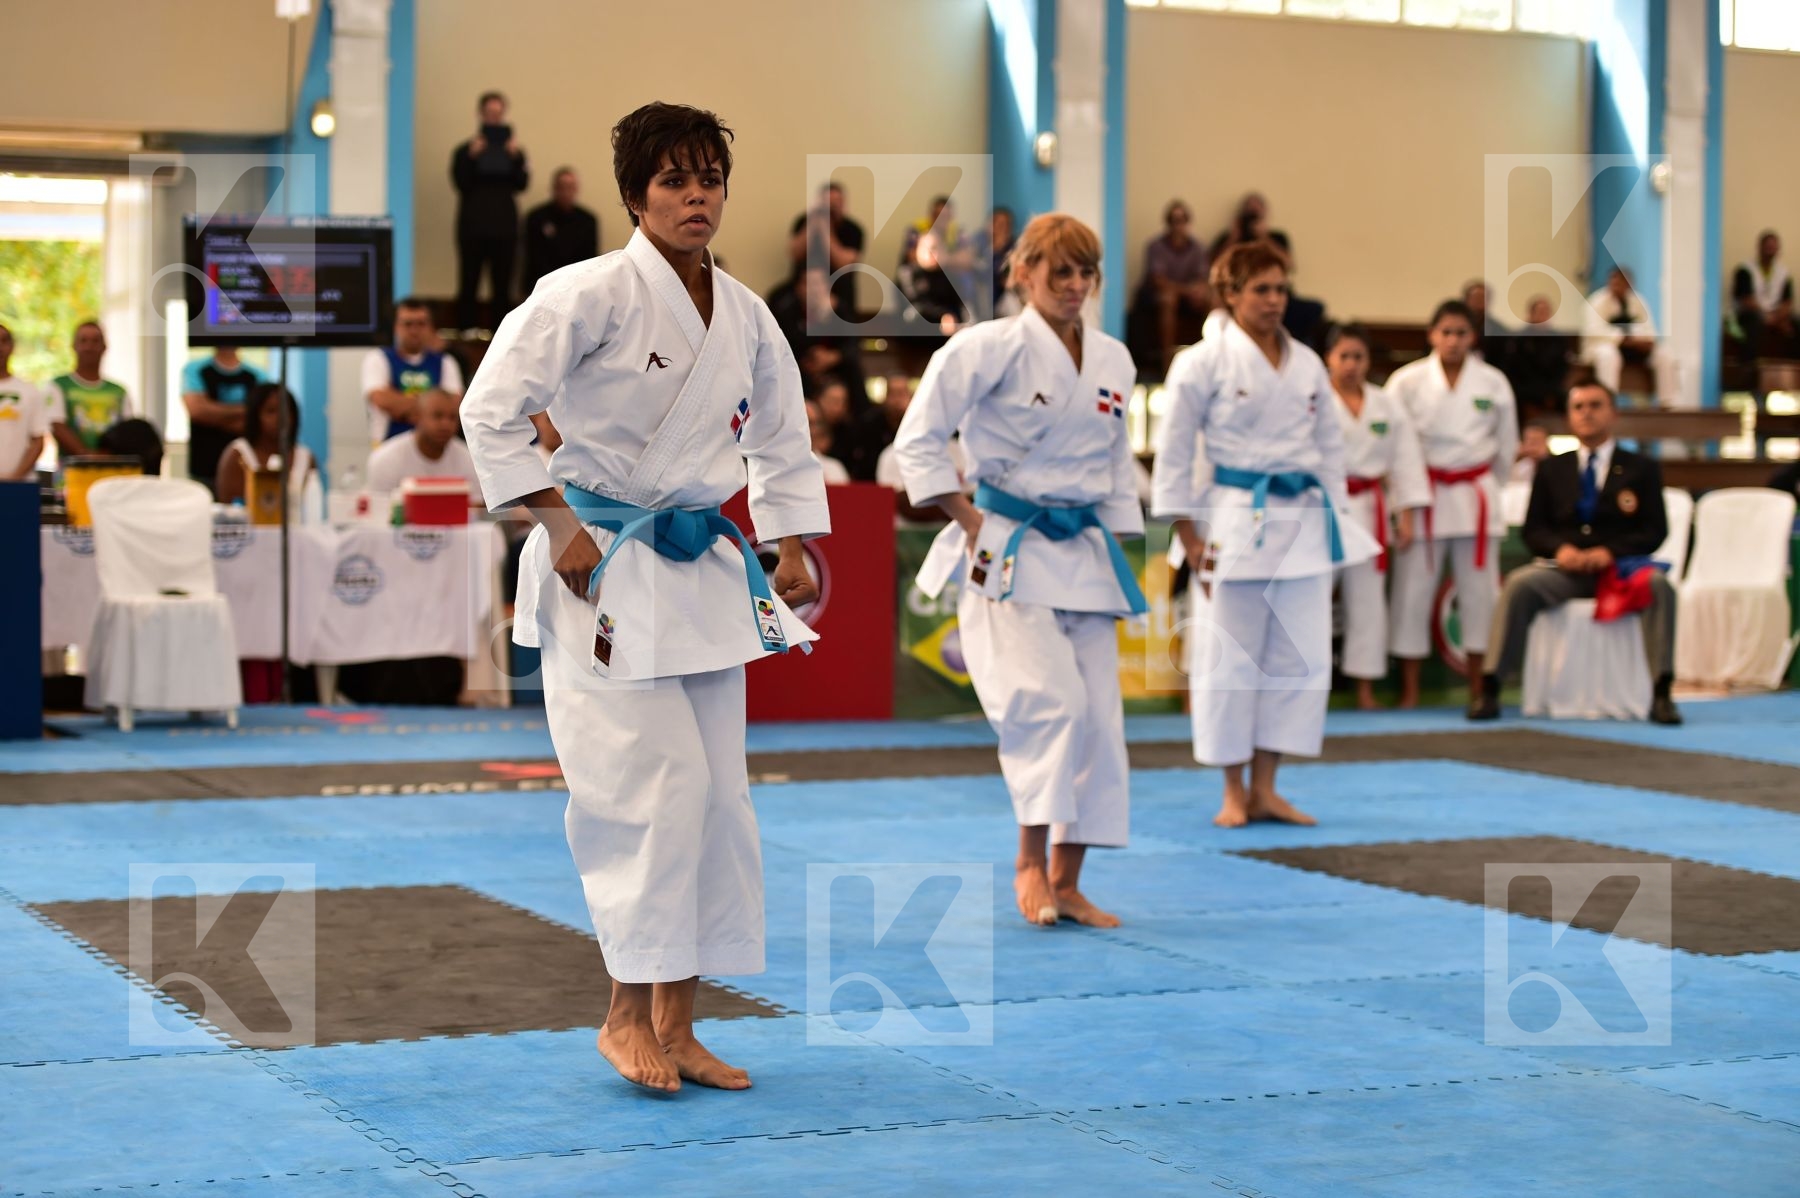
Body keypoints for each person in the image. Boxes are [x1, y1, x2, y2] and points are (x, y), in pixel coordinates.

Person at [459, 102, 826, 1094]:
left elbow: (781, 440)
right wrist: (556, 521)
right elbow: (489, 408)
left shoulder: (745, 313)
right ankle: (622, 1015)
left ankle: (678, 1022)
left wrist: (791, 543)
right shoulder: (584, 293)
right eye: (674, 179)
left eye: (709, 176)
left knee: (715, 797)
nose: (696, 194)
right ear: (634, 196)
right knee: (644, 787)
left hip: (701, 571)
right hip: (605, 565)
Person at [895, 212, 1144, 928]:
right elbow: (919, 439)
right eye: (1059, 272)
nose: (1073, 286)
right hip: (1008, 545)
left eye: (1084, 274)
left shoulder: (1114, 360)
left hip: (1085, 549)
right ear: (1025, 272)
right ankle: (1028, 864)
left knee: (1099, 720)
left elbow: (1115, 459)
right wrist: (968, 517)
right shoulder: (987, 348)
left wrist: (1122, 538)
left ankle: (1068, 880)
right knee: (1049, 702)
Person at [1153, 242, 1377, 828]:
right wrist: (1189, 536)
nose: (1276, 301)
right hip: (1230, 519)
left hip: (1302, 522)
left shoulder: (1306, 363)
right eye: (1262, 290)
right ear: (1230, 293)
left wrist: (1339, 525)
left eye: (1281, 289)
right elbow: (1174, 453)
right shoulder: (1201, 362)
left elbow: (1330, 451)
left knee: (1296, 660)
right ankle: (1232, 790)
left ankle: (1267, 786)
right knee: (1229, 661)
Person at [1472, 379, 1681, 726]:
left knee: (1660, 587)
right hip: (1566, 572)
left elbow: (1654, 530)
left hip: (1620, 570)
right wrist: (1561, 549)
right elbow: (1534, 529)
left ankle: (1662, 692)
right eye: (1578, 407)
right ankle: (1490, 687)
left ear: (1612, 413)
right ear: (1569, 417)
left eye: (1595, 405)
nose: (1587, 414)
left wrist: (1610, 552)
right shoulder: (1553, 468)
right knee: (1520, 585)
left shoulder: (1641, 468)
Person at [1385, 300, 1517, 712]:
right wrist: (1403, 501)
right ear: (1431, 335)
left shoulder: (1493, 382)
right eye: (1446, 332)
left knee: (1480, 595)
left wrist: (1485, 486)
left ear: (1472, 337)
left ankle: (1480, 684)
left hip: (1473, 494)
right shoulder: (1405, 382)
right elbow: (1393, 447)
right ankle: (1409, 690)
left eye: (1461, 333)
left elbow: (1506, 447)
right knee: (1412, 593)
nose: (1453, 340)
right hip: (1424, 493)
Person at [1324, 324, 1428, 710]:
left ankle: (1365, 688)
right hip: (1325, 508)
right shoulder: (1313, 399)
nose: (1351, 365)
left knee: (1368, 601)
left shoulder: (1386, 404)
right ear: (1328, 359)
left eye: (1358, 357)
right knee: (1313, 600)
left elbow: (1405, 462)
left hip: (1370, 508)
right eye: (1344, 356)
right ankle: (1308, 689)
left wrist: (1407, 514)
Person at [451, 91, 530, 331]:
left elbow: (522, 184)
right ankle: (465, 331)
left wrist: (515, 158)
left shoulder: (515, 151)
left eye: (499, 113)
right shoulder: (464, 151)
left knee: (502, 284)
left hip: (504, 226)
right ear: (481, 114)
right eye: (490, 113)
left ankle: (501, 334)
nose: (494, 118)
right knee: (469, 280)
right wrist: (471, 157)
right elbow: (459, 182)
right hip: (473, 225)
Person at [362, 297, 465, 445]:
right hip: (388, 446)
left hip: (436, 449)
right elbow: (381, 399)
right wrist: (431, 410)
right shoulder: (378, 358)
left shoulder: (446, 362)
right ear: (396, 327)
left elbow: (453, 406)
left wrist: (402, 409)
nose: (414, 330)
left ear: (430, 327)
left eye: (421, 324)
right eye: (408, 324)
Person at [1581, 266, 1680, 406]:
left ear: (1629, 283)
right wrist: (1623, 340)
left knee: (1665, 353)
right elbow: (1595, 331)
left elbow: (1649, 329)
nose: (1617, 285)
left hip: (1635, 349)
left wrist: (1645, 341)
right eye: (1614, 281)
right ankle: (1608, 401)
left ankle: (1667, 403)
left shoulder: (1638, 301)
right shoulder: (1596, 301)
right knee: (1608, 355)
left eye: (1622, 282)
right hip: (1605, 347)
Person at [1136, 200, 1210, 374]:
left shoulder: (1197, 247)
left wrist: (1197, 290)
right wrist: (1186, 290)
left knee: (1210, 298)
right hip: (1157, 298)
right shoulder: (1156, 246)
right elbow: (1159, 280)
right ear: (1168, 223)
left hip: (1189, 299)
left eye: (1183, 220)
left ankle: (1208, 359)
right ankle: (1167, 363)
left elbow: (1203, 277)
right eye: (1175, 221)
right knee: (1169, 298)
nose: (1179, 226)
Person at [366, 388, 483, 499]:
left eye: (452, 417)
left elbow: (476, 509)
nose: (446, 424)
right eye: (437, 416)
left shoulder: (470, 460)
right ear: (417, 416)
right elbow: (379, 512)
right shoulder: (385, 459)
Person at [215, 383, 316, 506]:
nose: (280, 418)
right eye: (271, 411)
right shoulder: (238, 455)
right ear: (255, 416)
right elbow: (229, 511)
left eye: (286, 411)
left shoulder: (305, 457)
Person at [181, 345, 264, 494]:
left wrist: (213, 413)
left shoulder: (257, 375)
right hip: (204, 469)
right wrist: (245, 409)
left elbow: (261, 418)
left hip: (246, 471)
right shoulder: (195, 370)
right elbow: (197, 411)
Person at [49, 321, 130, 461]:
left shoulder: (119, 391)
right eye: (83, 340)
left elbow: (128, 433)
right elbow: (57, 427)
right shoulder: (58, 385)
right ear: (74, 346)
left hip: (112, 471)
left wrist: (106, 457)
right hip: (71, 473)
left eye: (95, 341)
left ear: (104, 347)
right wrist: (86, 455)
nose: (89, 346)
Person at [791, 182, 865, 322]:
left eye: (836, 203)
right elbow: (795, 254)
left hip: (838, 289)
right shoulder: (804, 222)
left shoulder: (853, 229)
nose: (831, 208)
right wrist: (813, 225)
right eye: (827, 203)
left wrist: (826, 231)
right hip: (804, 287)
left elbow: (844, 263)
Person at [521, 167, 601, 297]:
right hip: (542, 285)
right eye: (562, 187)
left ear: (576, 189)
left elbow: (590, 259)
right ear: (554, 188)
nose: (565, 192)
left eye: (570, 187)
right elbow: (534, 257)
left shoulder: (588, 221)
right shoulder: (536, 217)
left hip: (577, 286)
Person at [1731, 230, 1800, 360]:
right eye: (1767, 245)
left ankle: (1794, 369)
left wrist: (1776, 318)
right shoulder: (1745, 269)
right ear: (1759, 247)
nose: (1770, 248)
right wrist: (1767, 318)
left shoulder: (1784, 273)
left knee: (1796, 322)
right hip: (1749, 314)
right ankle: (1748, 368)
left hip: (1775, 315)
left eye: (1774, 246)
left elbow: (1787, 303)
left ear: (1778, 249)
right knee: (1754, 321)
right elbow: (1746, 300)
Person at [0, 324, 50, 480]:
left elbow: (38, 441)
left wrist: (14, 478)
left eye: (4, 341)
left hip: (21, 485)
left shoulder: (30, 391)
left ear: (12, 346)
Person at [805, 398, 851, 484]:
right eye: (805, 422)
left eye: (812, 423)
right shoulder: (776, 465)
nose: (810, 430)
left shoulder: (834, 468)